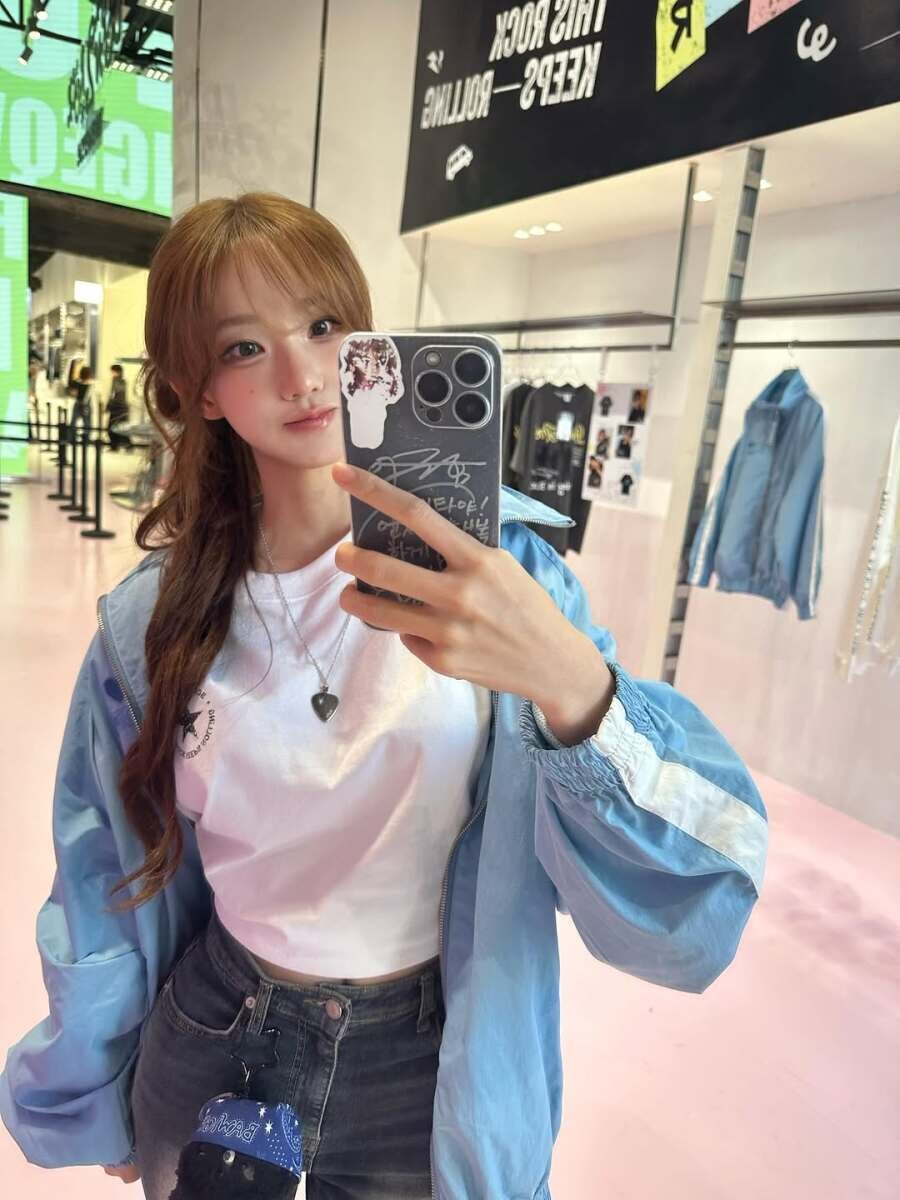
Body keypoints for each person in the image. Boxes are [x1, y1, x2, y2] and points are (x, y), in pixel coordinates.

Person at [0, 194, 768, 1200]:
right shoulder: (151, 622)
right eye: (244, 347)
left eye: (324, 326)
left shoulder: (499, 575)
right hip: (216, 1035)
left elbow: (690, 911)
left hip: (429, 1069)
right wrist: (90, 1082)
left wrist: (570, 680)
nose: (303, 374)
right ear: (201, 392)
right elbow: (102, 871)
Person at [107, 364, 133, 451]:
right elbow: (112, 394)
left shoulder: (121, 382)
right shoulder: (116, 381)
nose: (112, 373)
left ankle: (127, 445)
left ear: (118, 372)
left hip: (120, 408)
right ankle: (115, 446)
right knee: (112, 427)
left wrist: (109, 405)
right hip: (116, 408)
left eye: (113, 371)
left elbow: (116, 393)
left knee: (120, 427)